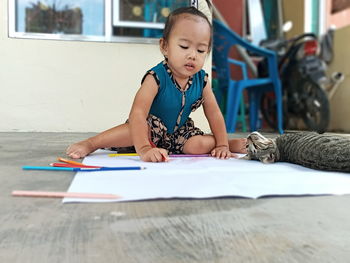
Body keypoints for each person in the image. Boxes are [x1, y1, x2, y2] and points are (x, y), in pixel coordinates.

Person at [66, 6, 247, 162]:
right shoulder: (156, 77)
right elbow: (137, 113)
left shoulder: (202, 80)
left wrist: (223, 144)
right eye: (184, 47)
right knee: (131, 132)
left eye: (201, 50)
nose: (193, 54)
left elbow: (214, 113)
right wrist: (144, 148)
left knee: (199, 144)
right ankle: (91, 143)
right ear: (165, 47)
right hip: (149, 129)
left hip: (179, 134)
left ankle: (227, 143)